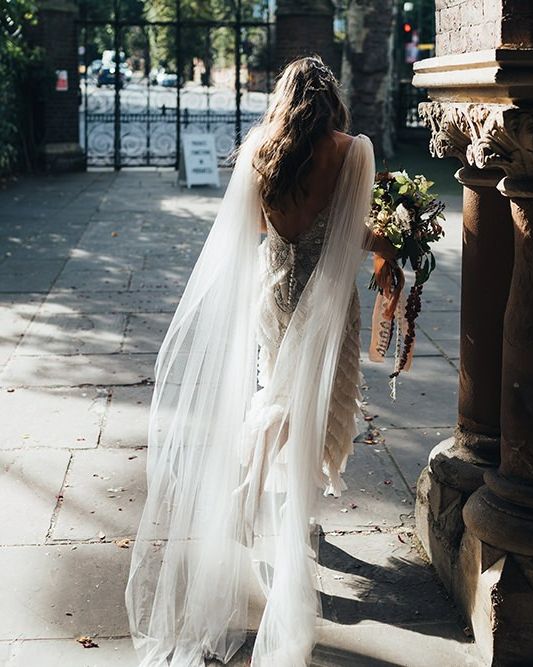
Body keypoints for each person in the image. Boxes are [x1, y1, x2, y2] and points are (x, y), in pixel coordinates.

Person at [125, 55, 397, 667]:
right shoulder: (353, 152)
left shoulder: (261, 149)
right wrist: (395, 239)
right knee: (313, 405)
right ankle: (290, 513)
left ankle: (249, 490)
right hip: (328, 303)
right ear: (332, 100)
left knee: (276, 393)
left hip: (275, 289)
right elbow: (355, 234)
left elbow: (250, 226)